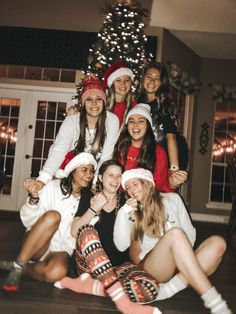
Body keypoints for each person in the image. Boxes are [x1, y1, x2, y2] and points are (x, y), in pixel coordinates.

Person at [113, 168, 232, 314]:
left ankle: (169, 289)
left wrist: (182, 256)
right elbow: (120, 246)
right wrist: (123, 212)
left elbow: (190, 233)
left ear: (147, 183)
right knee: (175, 234)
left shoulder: (173, 199)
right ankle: (217, 304)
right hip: (154, 268)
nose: (131, 190)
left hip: (180, 263)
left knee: (219, 243)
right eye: (128, 187)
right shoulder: (132, 212)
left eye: (135, 184)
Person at [54, 159, 162, 314]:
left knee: (150, 288)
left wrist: (134, 218)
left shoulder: (127, 201)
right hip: (88, 267)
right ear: (100, 177)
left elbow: (141, 235)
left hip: (119, 267)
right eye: (111, 175)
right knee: (86, 231)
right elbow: (74, 231)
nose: (115, 180)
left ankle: (90, 286)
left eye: (119, 176)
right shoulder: (88, 195)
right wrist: (93, 208)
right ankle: (124, 303)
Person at [0, 152, 97, 292]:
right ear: (72, 171)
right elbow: (28, 221)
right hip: (37, 245)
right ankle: (19, 264)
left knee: (56, 273)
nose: (89, 175)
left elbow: (84, 231)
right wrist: (34, 198)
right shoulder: (53, 186)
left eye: (91, 171)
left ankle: (18, 267)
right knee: (53, 216)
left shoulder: (89, 198)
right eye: (84, 170)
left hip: (61, 250)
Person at [26, 74, 120, 194]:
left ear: (104, 101)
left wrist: (96, 181)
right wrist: (43, 179)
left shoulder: (112, 121)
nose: (94, 104)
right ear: (83, 102)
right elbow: (59, 150)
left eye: (98, 99)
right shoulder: (72, 121)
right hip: (68, 174)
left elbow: (106, 155)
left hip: (93, 175)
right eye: (89, 99)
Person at [113, 102, 187, 192]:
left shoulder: (158, 152)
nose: (135, 124)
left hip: (147, 200)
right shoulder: (119, 147)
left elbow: (161, 187)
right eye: (131, 121)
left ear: (148, 126)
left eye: (141, 121)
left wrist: (172, 184)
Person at [138, 61, 188, 171]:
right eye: (149, 76)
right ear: (143, 79)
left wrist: (174, 169)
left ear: (162, 82)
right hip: (148, 158)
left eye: (157, 78)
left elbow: (171, 138)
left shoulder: (165, 105)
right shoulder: (138, 103)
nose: (152, 81)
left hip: (167, 158)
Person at [103, 59, 137, 128]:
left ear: (130, 83)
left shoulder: (133, 105)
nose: (123, 84)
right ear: (112, 83)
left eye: (127, 80)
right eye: (118, 80)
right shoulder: (103, 103)